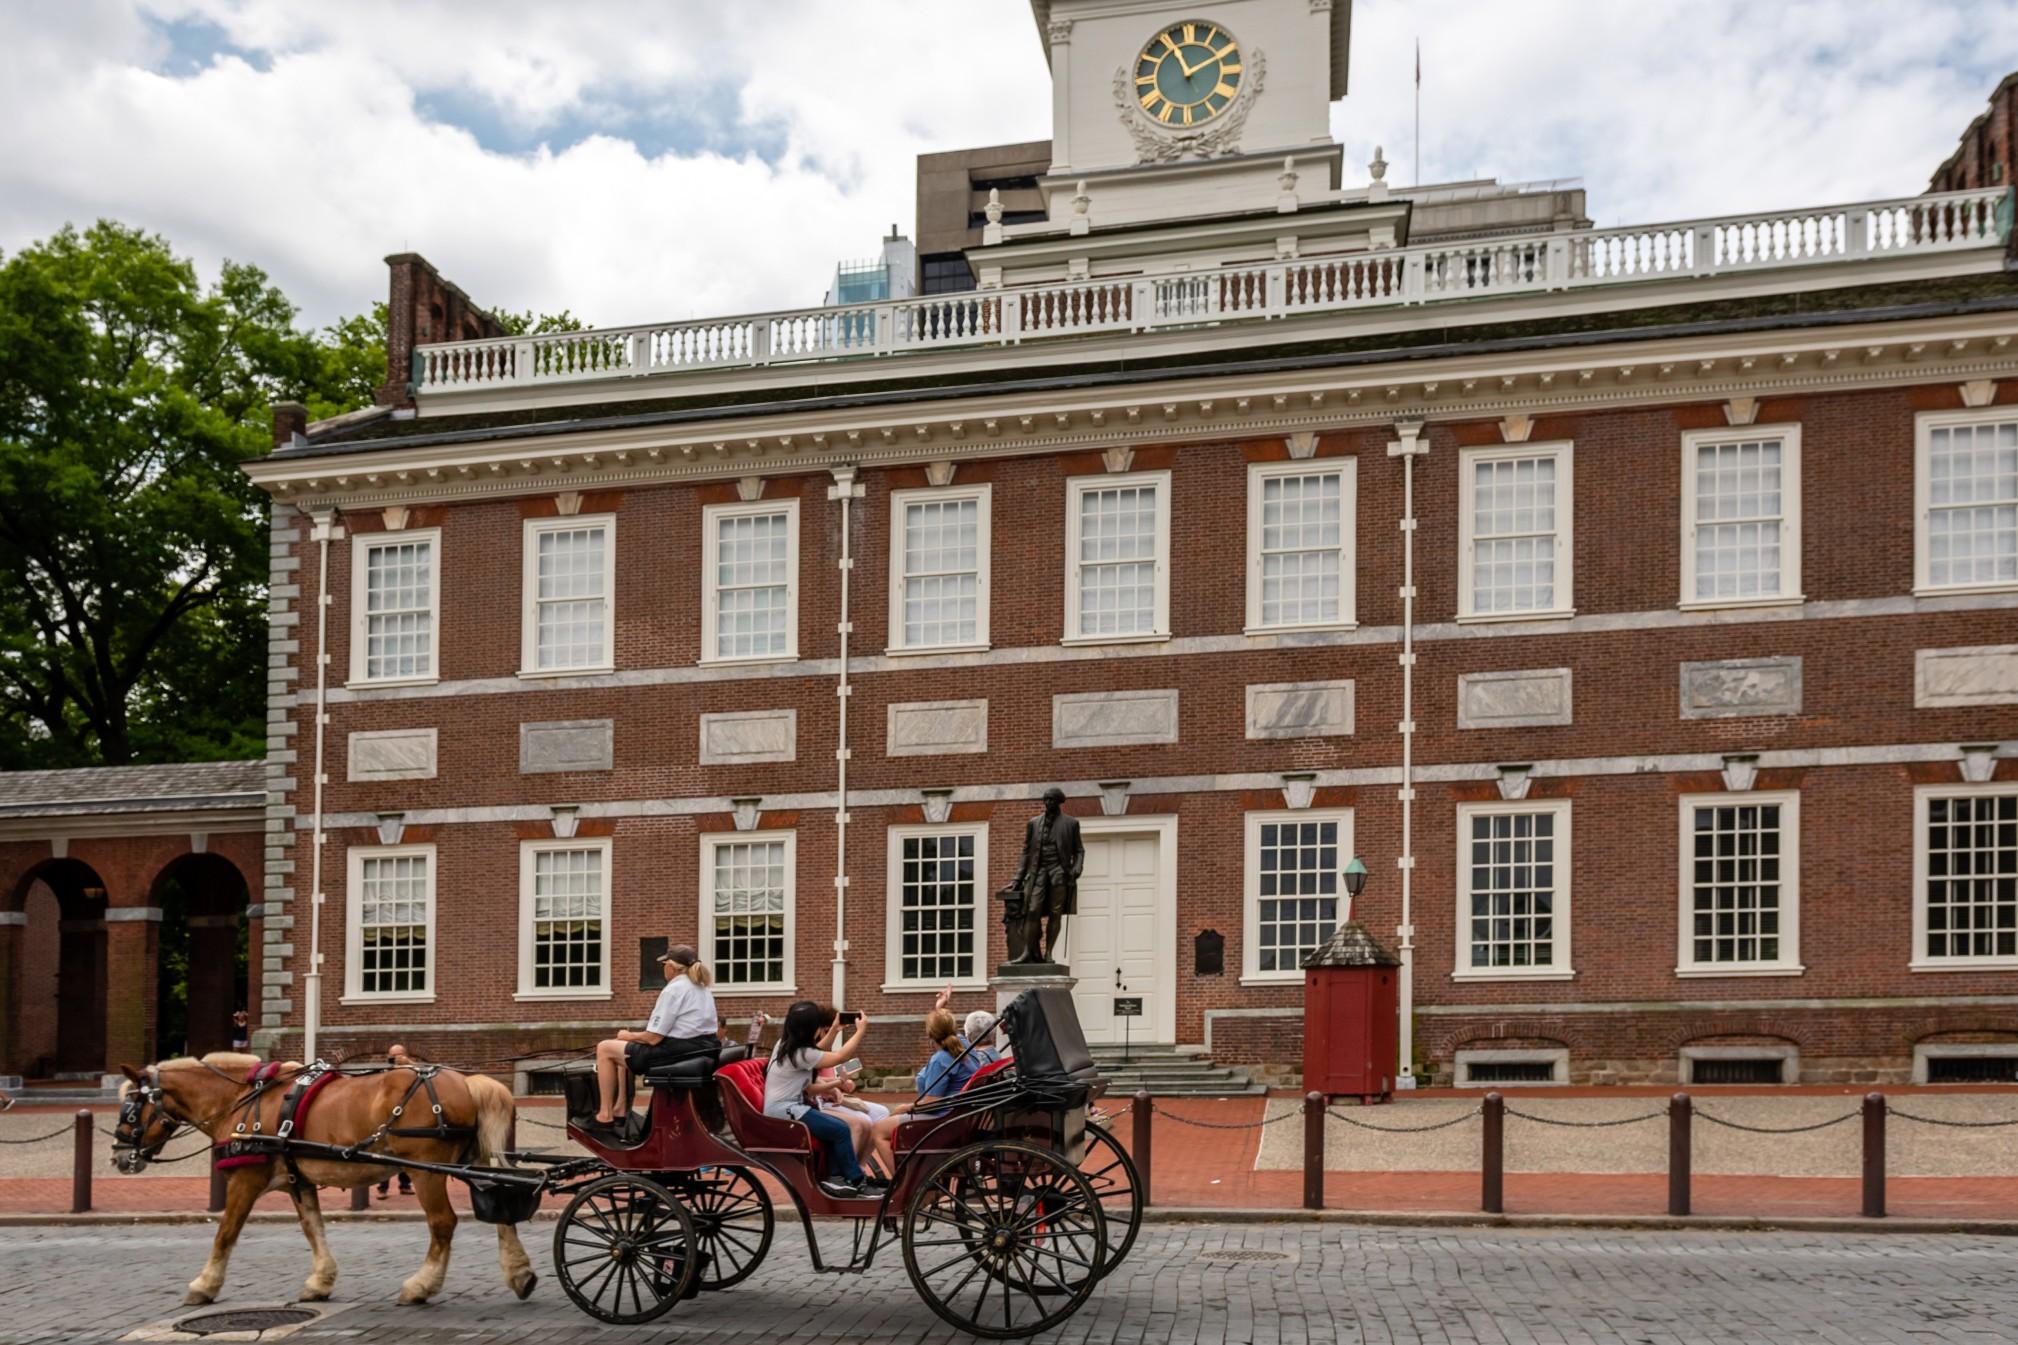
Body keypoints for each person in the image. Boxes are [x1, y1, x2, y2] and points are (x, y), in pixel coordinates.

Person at [590, 945, 720, 1129]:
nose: (663, 968)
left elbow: (653, 1038)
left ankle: (605, 1115)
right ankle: (619, 1109)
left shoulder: (673, 990)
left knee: (604, 1048)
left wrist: (628, 1034)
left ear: (672, 967)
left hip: (676, 1051)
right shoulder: (701, 988)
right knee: (623, 1047)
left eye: (665, 964)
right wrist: (631, 1038)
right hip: (703, 1047)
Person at [764, 1001, 873, 1197]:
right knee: (840, 1129)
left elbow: (818, 1052)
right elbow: (838, 1057)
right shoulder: (801, 1053)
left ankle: (836, 1178)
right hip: (786, 1110)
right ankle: (853, 1179)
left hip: (789, 1106)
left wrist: (833, 1031)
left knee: (834, 1128)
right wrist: (860, 1032)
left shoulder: (787, 1044)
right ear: (810, 1029)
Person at [376, 1043, 416, 1198]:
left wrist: (408, 1064)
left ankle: (405, 1185)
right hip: (388, 1117)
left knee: (406, 1152)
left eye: (399, 1055)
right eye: (393, 1055)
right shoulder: (386, 1072)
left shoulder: (411, 1070)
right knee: (387, 1153)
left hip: (407, 1116)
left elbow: (422, 1073)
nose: (396, 1058)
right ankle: (382, 1188)